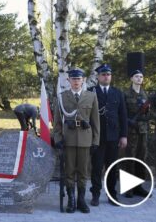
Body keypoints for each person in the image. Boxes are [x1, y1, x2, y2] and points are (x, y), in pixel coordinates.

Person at [53, 68, 100, 213]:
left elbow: (95, 121)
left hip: (85, 139)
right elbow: (57, 123)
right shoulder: (62, 97)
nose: (76, 82)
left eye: (78, 79)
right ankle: (71, 200)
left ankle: (81, 200)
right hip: (69, 139)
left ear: (83, 80)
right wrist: (58, 139)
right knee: (69, 171)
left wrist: (96, 141)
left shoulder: (91, 96)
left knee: (83, 171)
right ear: (69, 81)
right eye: (73, 79)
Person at [89, 64, 128, 206]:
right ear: (98, 77)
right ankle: (95, 195)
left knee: (112, 167)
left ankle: (112, 195)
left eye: (108, 74)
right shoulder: (90, 92)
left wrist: (124, 135)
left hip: (113, 137)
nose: (106, 77)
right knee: (97, 167)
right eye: (103, 74)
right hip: (97, 137)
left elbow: (123, 115)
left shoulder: (117, 93)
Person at [123, 70, 151, 197]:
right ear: (131, 78)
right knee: (130, 159)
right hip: (130, 131)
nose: (139, 79)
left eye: (141, 77)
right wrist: (128, 121)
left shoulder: (145, 95)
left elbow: (149, 114)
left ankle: (139, 187)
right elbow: (122, 113)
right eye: (136, 76)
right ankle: (129, 188)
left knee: (142, 158)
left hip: (142, 130)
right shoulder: (126, 94)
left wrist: (145, 115)